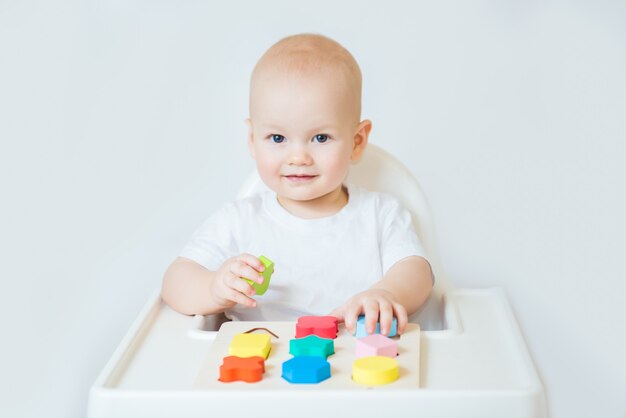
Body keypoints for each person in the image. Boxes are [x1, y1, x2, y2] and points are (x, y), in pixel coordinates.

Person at [161, 33, 432, 336]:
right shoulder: (239, 221)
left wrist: (389, 293)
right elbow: (175, 282)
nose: (299, 157)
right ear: (253, 140)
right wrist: (213, 289)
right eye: (277, 138)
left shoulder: (380, 214)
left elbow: (418, 273)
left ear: (357, 141)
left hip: (359, 366)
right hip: (263, 369)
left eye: (320, 138)